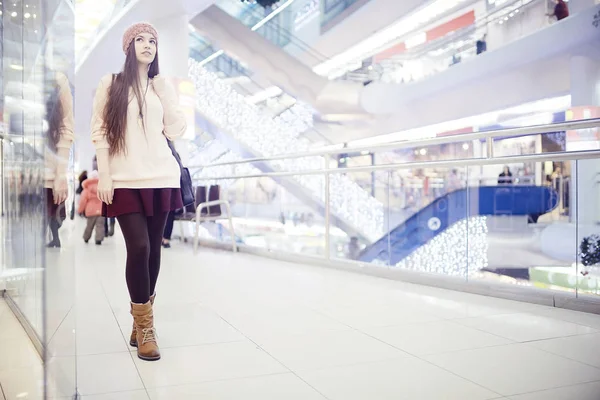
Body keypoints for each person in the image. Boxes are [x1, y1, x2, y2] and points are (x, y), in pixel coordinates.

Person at [91, 22, 186, 361]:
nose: (148, 45)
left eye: (153, 41)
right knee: (140, 247)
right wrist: (104, 175)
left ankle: (140, 320)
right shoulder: (111, 84)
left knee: (155, 251)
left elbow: (176, 129)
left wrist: (164, 89)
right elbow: (100, 131)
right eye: (140, 40)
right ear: (128, 47)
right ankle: (146, 328)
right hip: (125, 178)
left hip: (162, 175)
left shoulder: (159, 86)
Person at [45, 72, 74, 248]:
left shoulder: (58, 79)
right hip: (31, 173)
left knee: (54, 213)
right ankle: (53, 238)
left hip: (51, 174)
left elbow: (66, 128)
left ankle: (54, 237)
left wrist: (60, 173)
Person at [78, 171, 105, 245]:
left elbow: (83, 201)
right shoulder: (102, 188)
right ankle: (98, 239)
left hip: (90, 210)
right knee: (100, 225)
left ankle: (86, 238)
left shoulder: (87, 189)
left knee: (89, 225)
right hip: (101, 210)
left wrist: (80, 210)